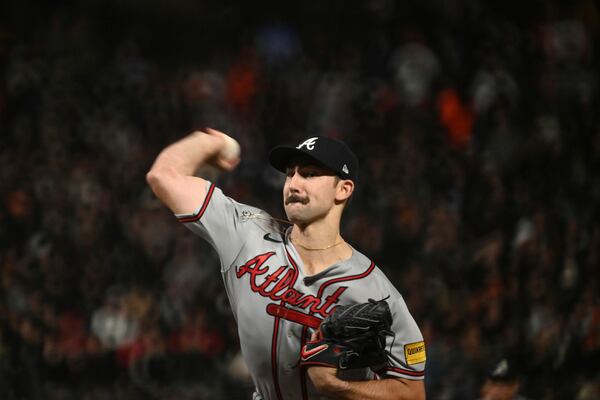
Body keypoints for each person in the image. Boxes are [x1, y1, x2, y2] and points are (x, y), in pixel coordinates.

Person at [146, 128, 426, 399]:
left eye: (310, 174)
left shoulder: (375, 289)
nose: (293, 183)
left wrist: (338, 387)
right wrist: (210, 141)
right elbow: (163, 176)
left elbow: (412, 393)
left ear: (343, 189)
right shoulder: (245, 233)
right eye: (290, 173)